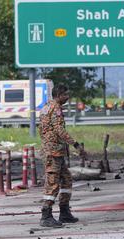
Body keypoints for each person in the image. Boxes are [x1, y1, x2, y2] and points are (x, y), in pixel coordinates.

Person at [38, 84, 87, 228]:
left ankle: (64, 212)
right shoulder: (56, 108)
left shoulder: (47, 107)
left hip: (55, 150)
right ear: (59, 94)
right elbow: (59, 129)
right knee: (52, 183)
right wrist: (75, 144)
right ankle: (46, 215)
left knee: (66, 180)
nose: (68, 97)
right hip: (52, 152)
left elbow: (42, 129)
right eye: (66, 94)